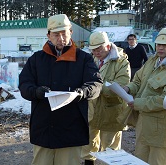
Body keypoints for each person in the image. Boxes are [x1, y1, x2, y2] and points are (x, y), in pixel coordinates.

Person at [18, 14, 103, 165]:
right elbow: (24, 85)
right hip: (44, 127)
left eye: (64, 33)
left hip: (72, 128)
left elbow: (96, 83)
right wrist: (36, 92)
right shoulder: (37, 59)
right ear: (48, 35)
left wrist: (82, 92)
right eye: (56, 34)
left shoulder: (83, 58)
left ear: (71, 32)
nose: (61, 38)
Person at [123, 28, 166, 165]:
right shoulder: (152, 61)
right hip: (144, 123)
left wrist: (137, 103)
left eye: (165, 45)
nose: (160, 47)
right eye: (158, 44)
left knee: (157, 161)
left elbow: (165, 100)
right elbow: (137, 80)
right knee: (140, 160)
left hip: (162, 127)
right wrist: (127, 88)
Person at [81, 31, 131, 165]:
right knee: (89, 141)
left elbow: (121, 85)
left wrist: (93, 88)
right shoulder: (92, 60)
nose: (96, 52)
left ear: (108, 46)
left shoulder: (121, 62)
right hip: (92, 108)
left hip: (112, 111)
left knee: (110, 149)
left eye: (99, 48)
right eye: (93, 49)